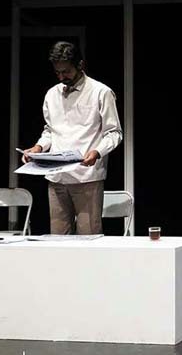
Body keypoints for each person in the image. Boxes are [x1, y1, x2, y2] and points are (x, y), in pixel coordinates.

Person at [23, 41, 123, 235]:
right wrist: (38, 148)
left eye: (66, 72)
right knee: (58, 239)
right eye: (57, 72)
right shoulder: (52, 94)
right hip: (57, 178)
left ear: (80, 65)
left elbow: (114, 132)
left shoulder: (100, 92)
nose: (62, 77)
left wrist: (97, 152)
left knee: (88, 237)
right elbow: (50, 130)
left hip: (86, 177)